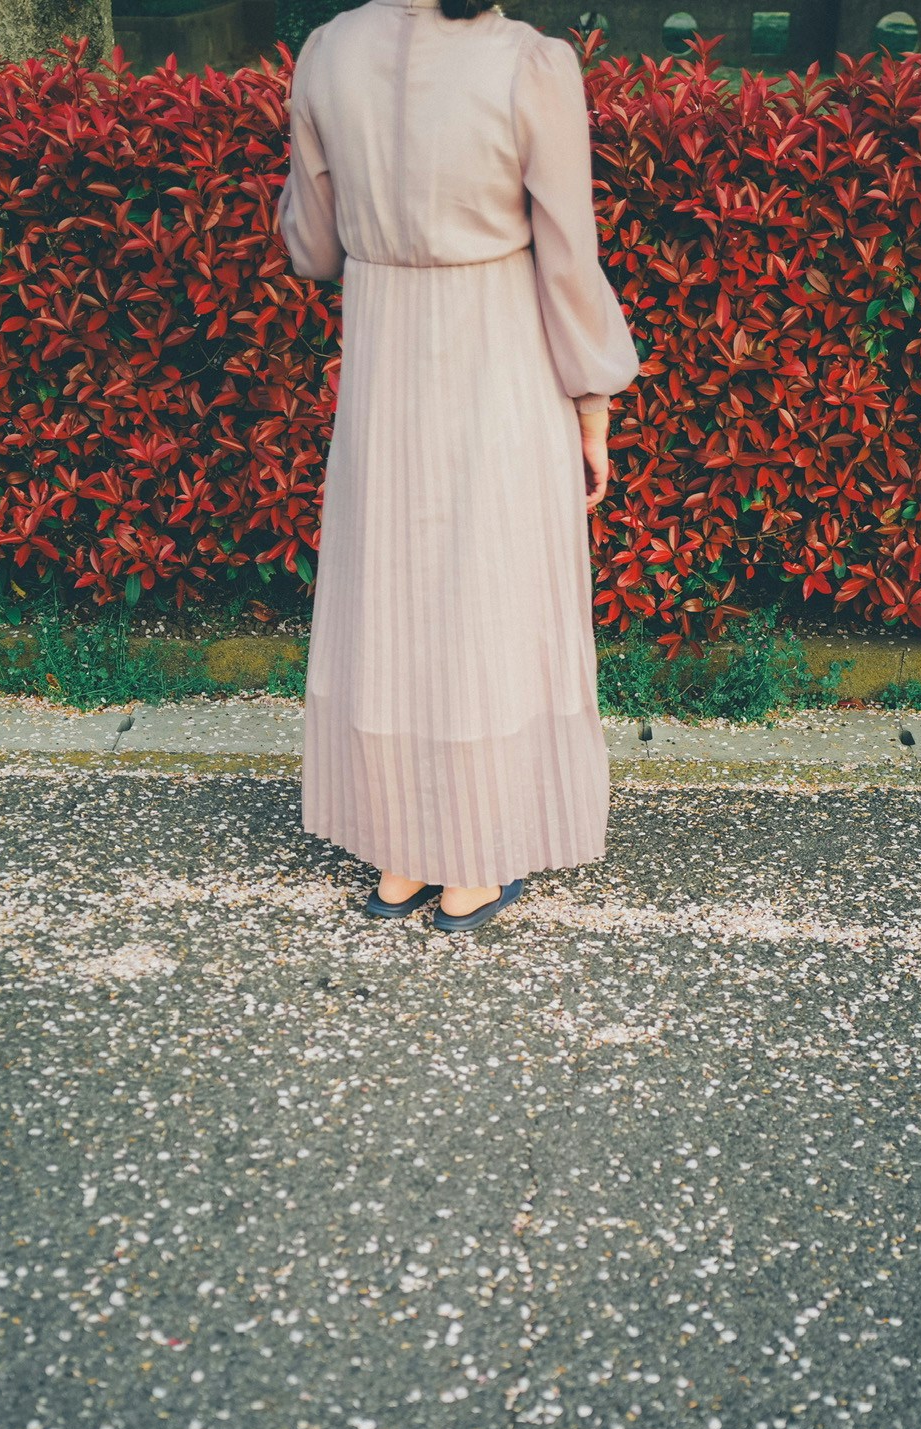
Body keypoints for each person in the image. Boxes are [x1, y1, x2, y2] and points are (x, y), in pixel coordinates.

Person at [278, 0, 638, 933]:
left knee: (388, 602)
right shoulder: (528, 62)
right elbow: (568, 254)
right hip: (498, 359)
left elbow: (312, 246)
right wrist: (594, 404)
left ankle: (401, 853)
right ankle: (474, 858)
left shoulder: (326, 53)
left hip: (384, 369)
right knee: (492, 600)